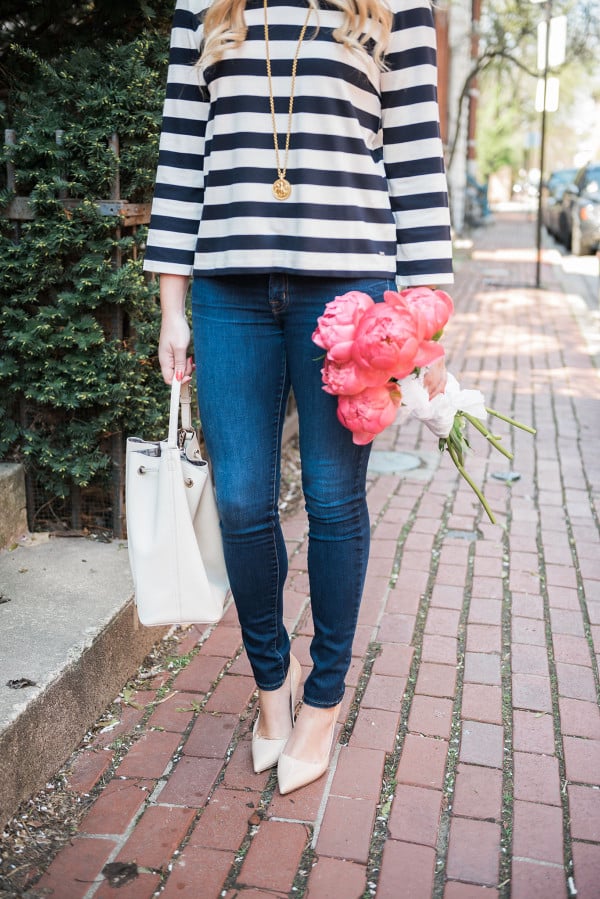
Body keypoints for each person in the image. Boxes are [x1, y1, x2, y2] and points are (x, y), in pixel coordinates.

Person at [143, 0, 453, 794]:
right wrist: (171, 309)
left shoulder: (395, 9)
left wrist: (424, 317)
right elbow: (182, 155)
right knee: (243, 502)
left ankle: (324, 698)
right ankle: (271, 685)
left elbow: (416, 162)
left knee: (331, 497)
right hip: (226, 290)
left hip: (348, 295)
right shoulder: (201, 8)